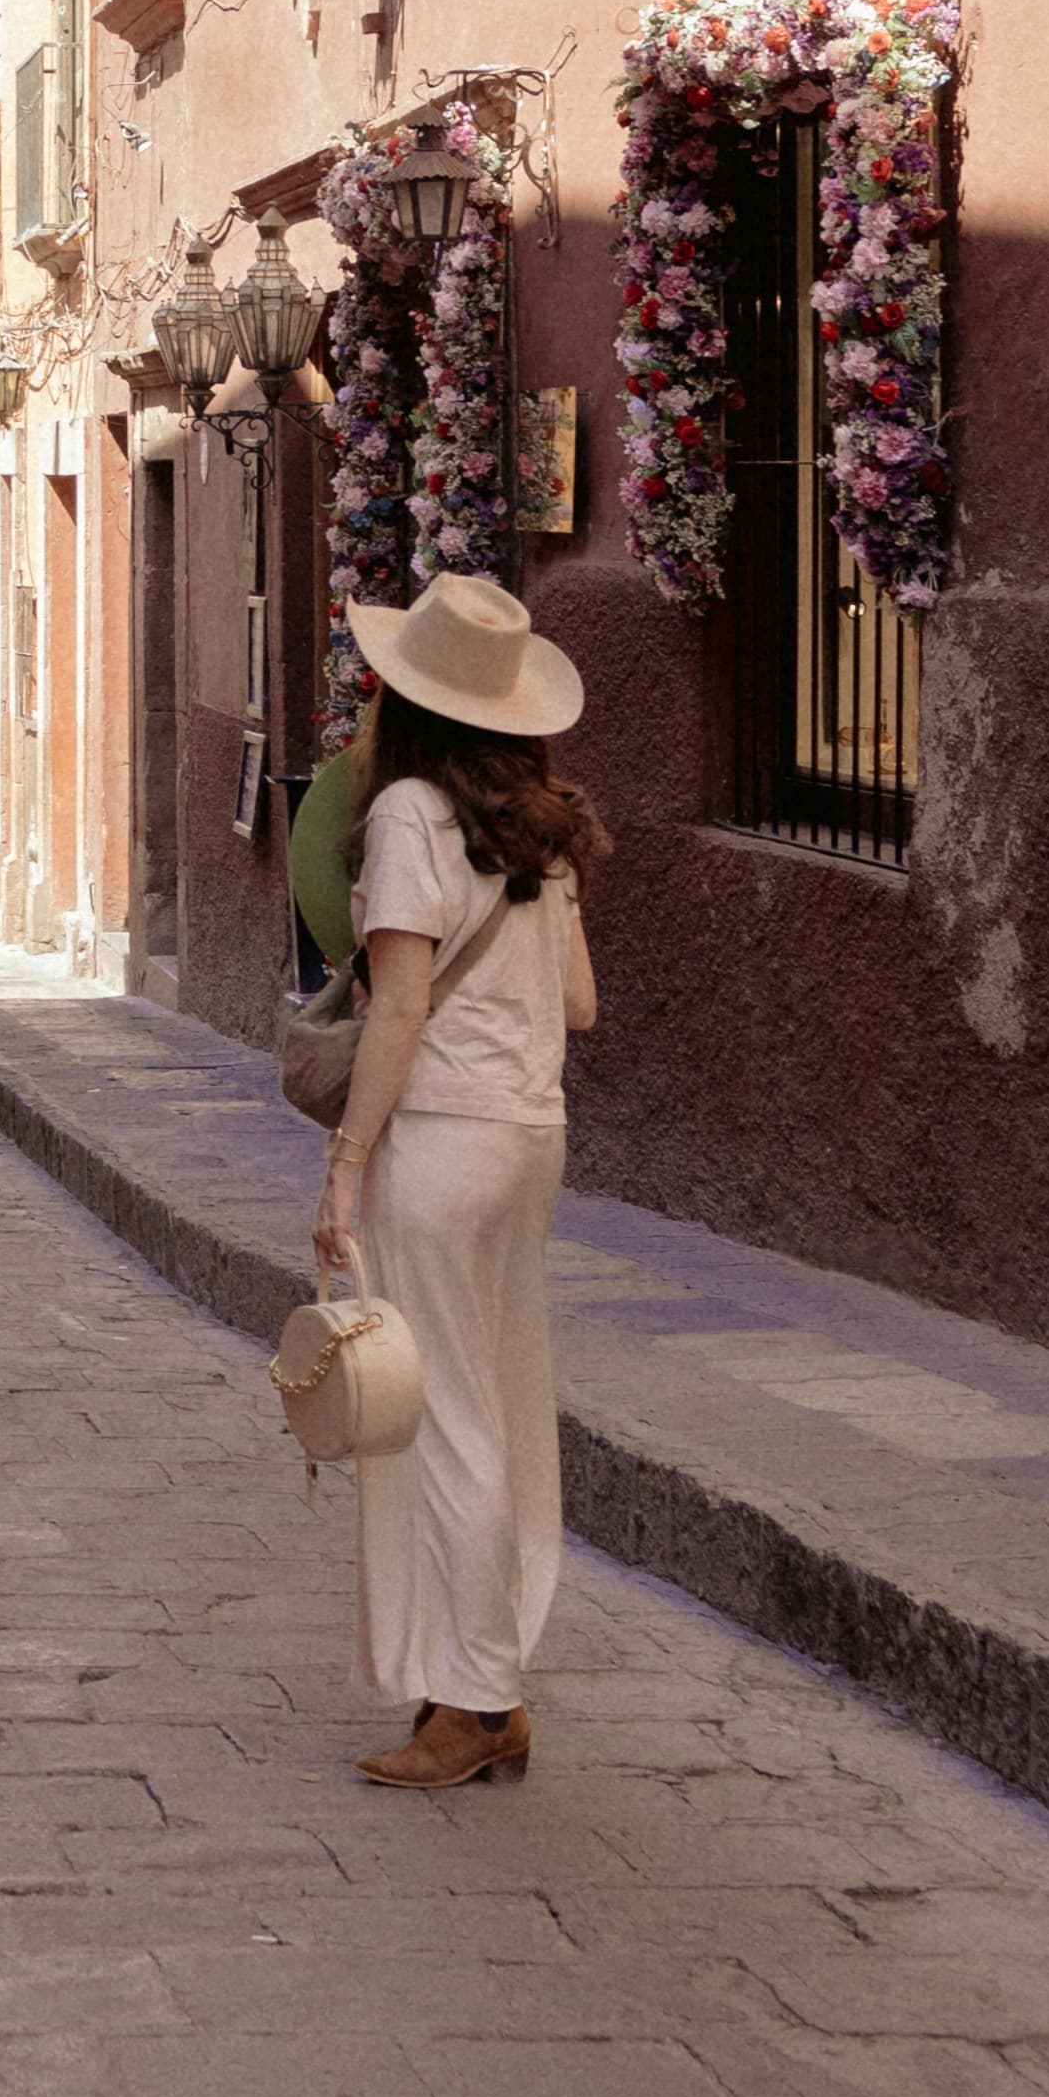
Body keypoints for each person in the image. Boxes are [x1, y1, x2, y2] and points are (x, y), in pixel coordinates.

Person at [309, 573, 606, 1795]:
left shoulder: (410, 819)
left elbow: (403, 1006)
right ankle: (475, 1678)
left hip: (439, 1141)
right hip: (532, 1133)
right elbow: (580, 1002)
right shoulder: (542, 822)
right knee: (498, 1400)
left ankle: (479, 1697)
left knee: (446, 1421)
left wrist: (344, 1162)